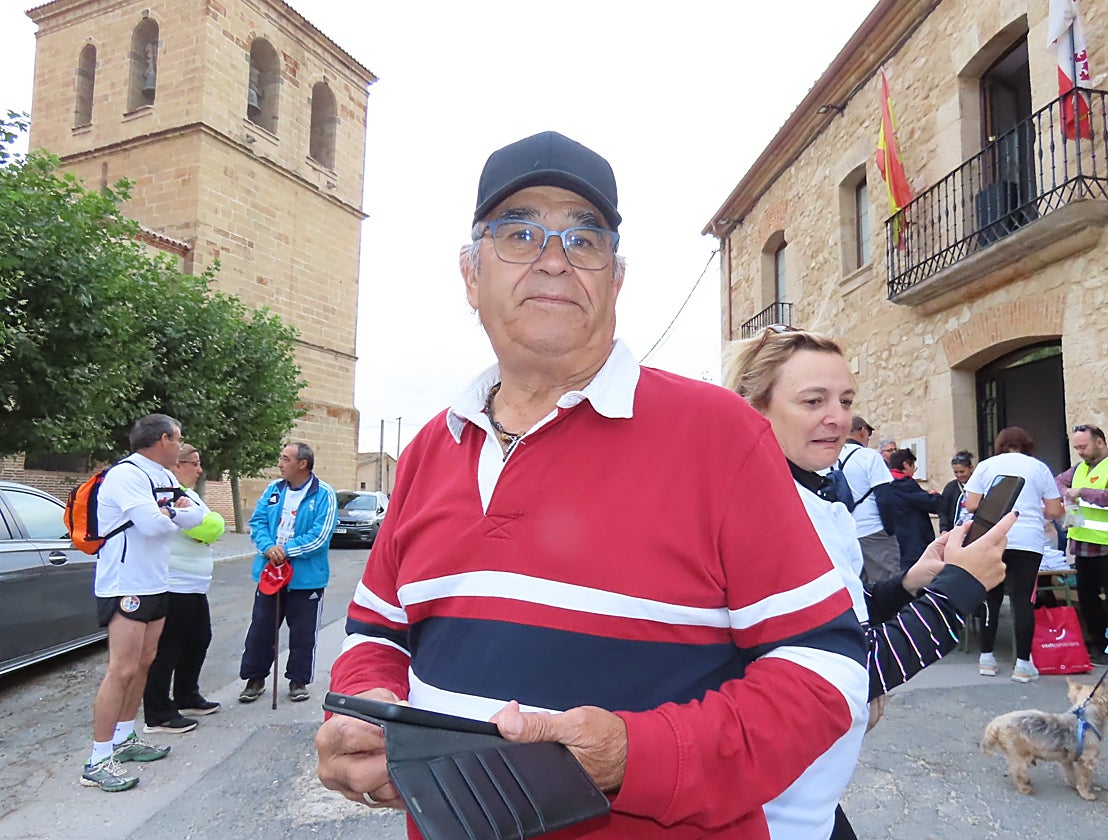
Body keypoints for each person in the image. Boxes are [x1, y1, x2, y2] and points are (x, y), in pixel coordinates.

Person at [315, 130, 868, 839]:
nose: (553, 259)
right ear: (469, 273)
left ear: (616, 278)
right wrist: (360, 711)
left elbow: (826, 670)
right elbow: (377, 635)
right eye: (517, 232)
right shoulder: (430, 450)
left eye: (585, 239)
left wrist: (634, 756)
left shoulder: (719, 434)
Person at [722, 326, 1010, 840]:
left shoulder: (812, 499)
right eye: (813, 400)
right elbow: (842, 671)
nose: (838, 417)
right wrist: (963, 586)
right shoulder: (757, 513)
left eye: (845, 399)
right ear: (753, 408)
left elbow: (840, 619)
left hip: (815, 792)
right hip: (769, 809)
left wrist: (914, 582)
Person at [83, 413, 205, 792]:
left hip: (155, 580)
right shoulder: (127, 475)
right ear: (164, 439)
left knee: (144, 663)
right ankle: (98, 759)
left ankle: (125, 737)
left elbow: (199, 515)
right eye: (178, 438)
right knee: (121, 669)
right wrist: (173, 515)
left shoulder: (165, 477)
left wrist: (169, 514)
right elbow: (153, 525)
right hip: (125, 583)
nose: (182, 446)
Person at [963, 426, 1065, 683]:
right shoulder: (1039, 467)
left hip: (994, 537)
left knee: (990, 597)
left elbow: (972, 504)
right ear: (1028, 444)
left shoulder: (986, 466)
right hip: (1028, 540)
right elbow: (1054, 509)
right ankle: (1022, 663)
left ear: (999, 444)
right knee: (1023, 601)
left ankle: (986, 658)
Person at [238, 442, 336, 704]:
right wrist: (268, 547)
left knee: (303, 633)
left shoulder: (324, 494)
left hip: (306, 579)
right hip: (269, 574)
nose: (279, 464)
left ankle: (298, 680)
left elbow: (320, 535)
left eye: (285, 459)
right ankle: (254, 678)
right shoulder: (273, 490)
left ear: (302, 464)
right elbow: (257, 522)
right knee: (261, 628)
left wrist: (287, 550)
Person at [142, 444, 225, 733]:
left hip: (194, 583)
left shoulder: (189, 497)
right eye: (195, 463)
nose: (200, 470)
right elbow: (205, 529)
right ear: (177, 465)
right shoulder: (168, 495)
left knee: (199, 639)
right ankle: (158, 712)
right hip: (174, 582)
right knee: (168, 648)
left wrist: (207, 524)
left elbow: (214, 524)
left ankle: (186, 694)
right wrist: (206, 525)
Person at [1053, 424, 1108, 665]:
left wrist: (1082, 492)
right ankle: (1097, 643)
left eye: (1083, 446)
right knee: (1087, 599)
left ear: (1100, 442)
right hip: (1083, 544)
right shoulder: (1080, 468)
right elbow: (1057, 483)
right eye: (1076, 448)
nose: (1080, 452)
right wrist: (1068, 490)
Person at [838, 415, 901, 584]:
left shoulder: (833, 458)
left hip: (846, 533)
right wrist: (890, 530)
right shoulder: (869, 456)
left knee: (859, 588)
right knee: (887, 585)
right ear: (863, 431)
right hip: (874, 530)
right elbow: (885, 498)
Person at [887, 448, 942, 571]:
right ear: (906, 465)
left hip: (894, 542)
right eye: (913, 467)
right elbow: (931, 504)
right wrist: (935, 495)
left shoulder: (885, 483)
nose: (913, 471)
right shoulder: (905, 484)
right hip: (913, 543)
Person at [939, 450, 974, 533]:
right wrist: (944, 529)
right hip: (955, 531)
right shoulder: (950, 487)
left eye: (962, 472)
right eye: (956, 472)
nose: (959, 475)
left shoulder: (979, 486)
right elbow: (943, 510)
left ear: (971, 468)